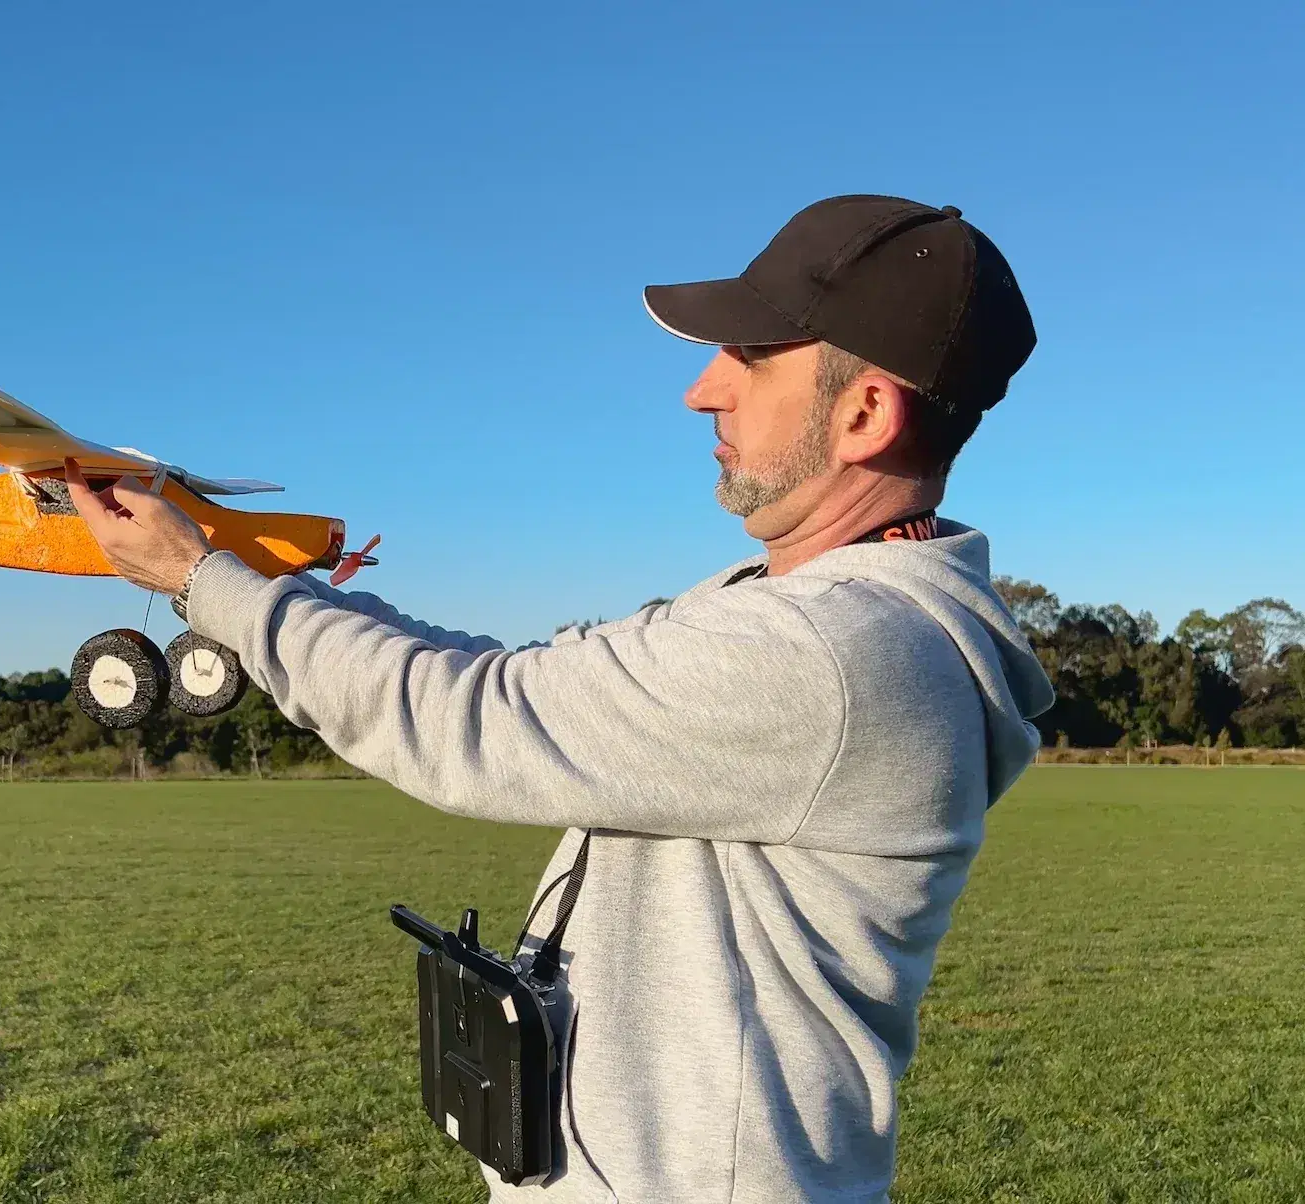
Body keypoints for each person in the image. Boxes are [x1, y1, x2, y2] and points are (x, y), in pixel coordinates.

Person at [63, 194, 1055, 1203]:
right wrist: (254, 574)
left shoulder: (834, 652)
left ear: (863, 413)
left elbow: (467, 719)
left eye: (750, 357)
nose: (701, 391)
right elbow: (517, 673)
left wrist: (203, 580)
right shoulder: (798, 611)